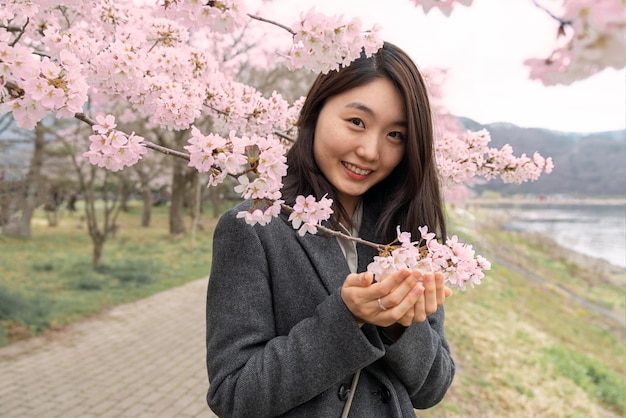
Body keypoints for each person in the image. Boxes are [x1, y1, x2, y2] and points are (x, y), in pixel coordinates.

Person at [206, 41, 455, 417]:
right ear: (316, 110)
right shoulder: (255, 228)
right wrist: (346, 318)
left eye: (395, 135)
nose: (371, 151)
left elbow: (433, 389)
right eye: (357, 122)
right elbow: (234, 394)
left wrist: (400, 326)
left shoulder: (407, 235)